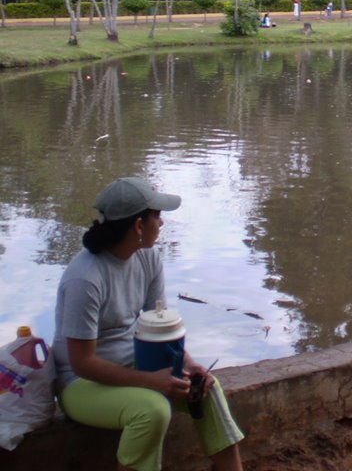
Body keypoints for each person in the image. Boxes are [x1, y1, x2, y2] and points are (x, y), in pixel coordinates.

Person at [52, 177, 245, 471]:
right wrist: (151, 381)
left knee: (207, 389)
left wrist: (190, 365)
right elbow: (82, 363)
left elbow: (161, 328)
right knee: (152, 410)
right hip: (81, 384)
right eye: (157, 216)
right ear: (138, 226)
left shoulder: (148, 259)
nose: (162, 223)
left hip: (136, 363)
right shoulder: (85, 279)